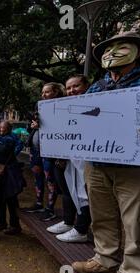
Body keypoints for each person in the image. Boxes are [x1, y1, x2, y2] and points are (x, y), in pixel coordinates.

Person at [72, 31, 140, 273]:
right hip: (97, 162)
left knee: (135, 222)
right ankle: (105, 259)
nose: (112, 52)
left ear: (138, 51)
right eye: (107, 48)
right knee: (101, 214)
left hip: (133, 167)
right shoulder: (98, 85)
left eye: (120, 46)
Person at [47, 75, 92, 243]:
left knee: (83, 193)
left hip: (87, 159)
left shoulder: (95, 105)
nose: (72, 90)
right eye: (69, 88)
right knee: (69, 191)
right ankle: (68, 222)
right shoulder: (66, 108)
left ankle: (81, 229)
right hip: (67, 160)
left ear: (87, 86)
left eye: (76, 86)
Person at [26, 82, 65, 222]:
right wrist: (32, 126)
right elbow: (30, 128)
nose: (43, 95)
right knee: (37, 177)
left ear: (56, 92)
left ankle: (50, 208)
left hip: (50, 151)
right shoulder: (39, 106)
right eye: (42, 92)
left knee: (50, 180)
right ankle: (38, 203)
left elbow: (63, 129)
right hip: (35, 149)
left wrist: (43, 127)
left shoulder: (62, 107)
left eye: (47, 92)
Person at [0, 121, 25, 235]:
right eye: (0, 127)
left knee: (11, 198)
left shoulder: (10, 138)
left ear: (9, 129)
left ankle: (15, 225)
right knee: (0, 198)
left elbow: (5, 148)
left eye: (4, 128)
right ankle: (1, 223)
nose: (1, 130)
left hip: (9, 172)